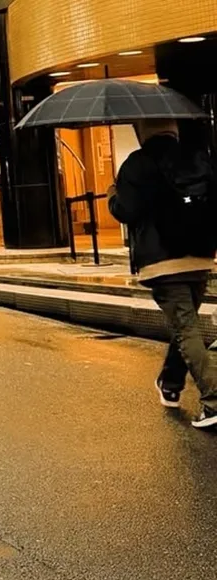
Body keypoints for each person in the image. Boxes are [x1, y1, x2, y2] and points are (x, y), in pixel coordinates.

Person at [111, 118, 217, 428]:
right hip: (199, 257)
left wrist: (111, 195)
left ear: (142, 131)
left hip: (162, 261)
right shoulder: (197, 157)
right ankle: (170, 382)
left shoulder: (137, 164)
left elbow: (126, 211)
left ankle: (213, 399)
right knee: (185, 325)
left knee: (185, 329)